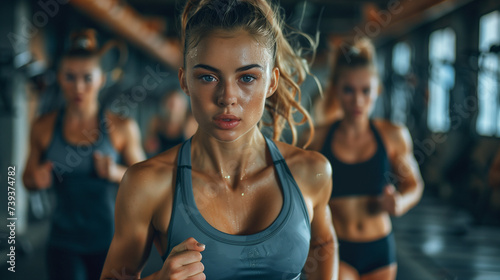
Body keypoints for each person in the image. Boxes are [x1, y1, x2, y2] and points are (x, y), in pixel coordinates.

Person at [100, 0, 338, 279]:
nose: (227, 97)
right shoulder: (147, 184)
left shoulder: (312, 172)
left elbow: (324, 243)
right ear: (185, 80)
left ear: (272, 82)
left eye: (247, 78)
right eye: (208, 77)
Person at [22, 29, 146, 280]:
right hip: (62, 242)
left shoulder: (121, 127)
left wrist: (115, 173)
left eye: (87, 78)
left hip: (109, 241)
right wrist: (35, 179)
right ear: (59, 77)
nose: (78, 87)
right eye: (70, 77)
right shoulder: (43, 127)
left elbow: (146, 180)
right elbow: (24, 178)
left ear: (101, 79)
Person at [308, 38, 424, 280]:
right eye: (348, 90)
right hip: (335, 247)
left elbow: (414, 185)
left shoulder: (393, 135)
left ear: (377, 90)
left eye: (365, 91)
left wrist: (400, 202)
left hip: (379, 249)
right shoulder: (317, 138)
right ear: (336, 90)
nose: (358, 100)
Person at [144, 89, 197, 157]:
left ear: (183, 107)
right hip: (161, 161)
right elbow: (148, 148)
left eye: (176, 105)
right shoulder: (156, 122)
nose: (173, 109)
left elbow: (196, 153)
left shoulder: (190, 124)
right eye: (171, 104)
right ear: (164, 104)